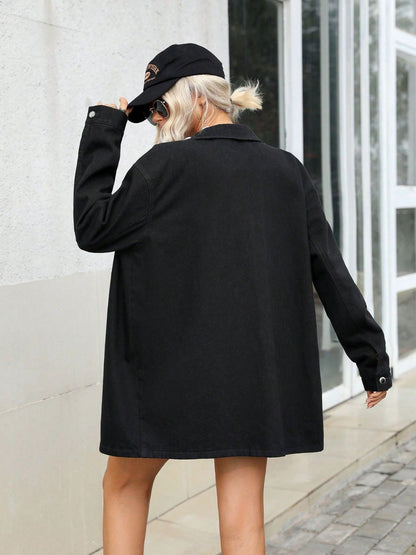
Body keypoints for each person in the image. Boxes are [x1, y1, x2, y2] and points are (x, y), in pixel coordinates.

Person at [73, 43, 392, 555]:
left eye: (161, 105)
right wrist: (370, 357)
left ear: (197, 100)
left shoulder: (161, 169)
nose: (157, 118)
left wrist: (107, 127)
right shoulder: (285, 171)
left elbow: (92, 228)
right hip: (250, 375)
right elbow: (329, 269)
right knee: (243, 522)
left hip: (163, 376)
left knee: (124, 485)